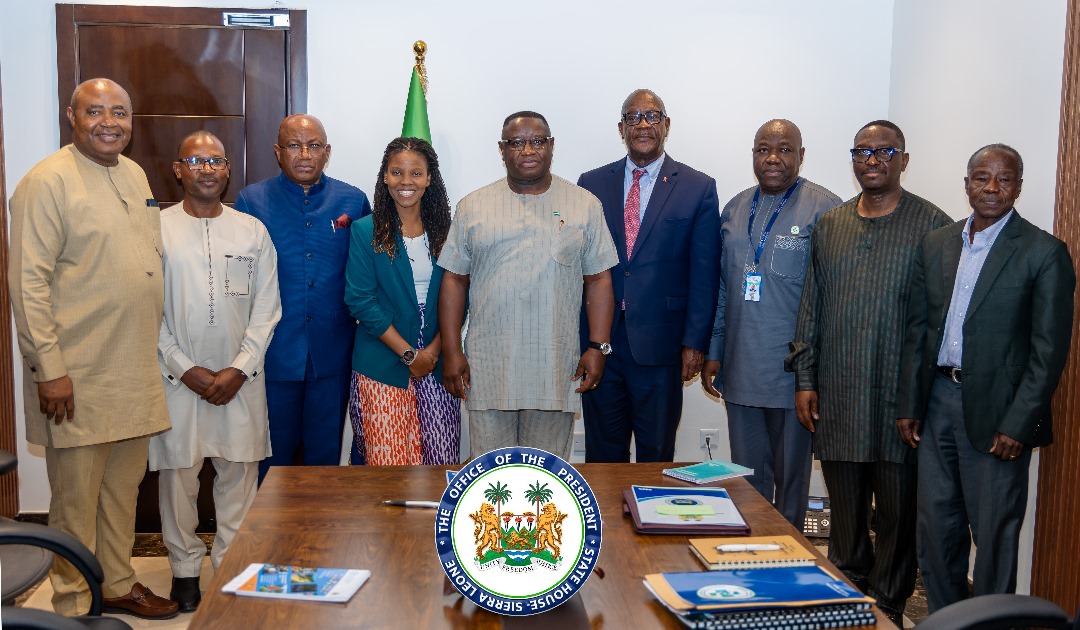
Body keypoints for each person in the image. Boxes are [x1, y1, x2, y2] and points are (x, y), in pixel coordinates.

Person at [7, 78, 179, 619]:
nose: (110, 122)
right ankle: (73, 603)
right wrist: (48, 370)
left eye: (120, 112)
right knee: (75, 504)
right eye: (96, 111)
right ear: (71, 116)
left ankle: (117, 584)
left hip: (133, 370)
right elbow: (27, 284)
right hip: (75, 377)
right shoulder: (45, 182)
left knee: (121, 494)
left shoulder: (134, 173)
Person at [785, 120, 952, 622]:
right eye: (862, 152)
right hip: (839, 392)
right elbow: (810, 308)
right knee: (846, 513)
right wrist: (806, 379)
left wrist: (922, 398)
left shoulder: (934, 226)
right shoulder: (831, 225)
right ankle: (846, 594)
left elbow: (941, 320)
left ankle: (889, 605)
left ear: (904, 159)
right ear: (852, 159)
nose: (872, 160)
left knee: (898, 516)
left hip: (901, 402)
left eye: (884, 151)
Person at [896, 144, 1075, 612]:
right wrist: (909, 404)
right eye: (982, 178)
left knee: (993, 535)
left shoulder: (1044, 253)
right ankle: (944, 621)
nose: (992, 188)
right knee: (935, 528)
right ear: (967, 183)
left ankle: (989, 625)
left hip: (999, 415)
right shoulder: (937, 243)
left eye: (1005, 179)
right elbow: (918, 329)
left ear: (1018, 185)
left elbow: (1048, 351)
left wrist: (1020, 423)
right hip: (935, 403)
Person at [150, 131, 282, 611]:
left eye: (216, 161)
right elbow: (147, 311)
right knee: (178, 479)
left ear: (228, 171)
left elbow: (267, 309)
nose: (207, 169)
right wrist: (184, 369)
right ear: (178, 169)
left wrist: (239, 368)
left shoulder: (251, 231)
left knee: (238, 479)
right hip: (176, 380)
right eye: (196, 160)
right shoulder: (155, 229)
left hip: (239, 381)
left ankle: (231, 567)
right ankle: (184, 571)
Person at [438, 111, 618, 460]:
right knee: (490, 481)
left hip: (554, 368)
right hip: (488, 369)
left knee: (546, 482)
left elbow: (598, 278)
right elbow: (454, 279)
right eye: (517, 142)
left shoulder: (584, 205)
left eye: (537, 141)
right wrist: (451, 350)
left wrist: (598, 347)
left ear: (551, 146)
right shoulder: (473, 207)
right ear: (502, 150)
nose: (528, 150)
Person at [702, 119, 841, 530]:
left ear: (801, 155)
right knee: (747, 478)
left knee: (792, 480)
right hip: (741, 368)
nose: (773, 158)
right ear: (753, 156)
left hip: (792, 376)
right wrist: (715, 350)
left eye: (784, 149)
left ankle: (790, 558)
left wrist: (812, 375)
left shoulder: (825, 209)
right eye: (763, 149)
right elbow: (725, 286)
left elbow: (831, 300)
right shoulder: (735, 207)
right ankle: (752, 551)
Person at [576, 89, 721, 463]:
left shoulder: (697, 187)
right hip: (601, 343)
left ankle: (652, 520)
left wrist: (695, 342)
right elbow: (581, 265)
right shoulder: (591, 184)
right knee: (603, 454)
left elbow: (704, 272)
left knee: (656, 454)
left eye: (652, 116)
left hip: (663, 344)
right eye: (633, 117)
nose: (643, 125)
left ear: (666, 126)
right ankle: (606, 522)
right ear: (621, 128)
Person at [235, 114, 371, 481]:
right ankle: (272, 538)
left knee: (325, 461)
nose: (305, 154)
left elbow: (367, 274)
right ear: (278, 152)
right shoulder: (251, 200)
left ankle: (321, 538)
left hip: (333, 355)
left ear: (327, 152)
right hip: (272, 354)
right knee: (271, 460)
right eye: (294, 145)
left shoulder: (353, 201)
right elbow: (238, 283)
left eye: (313, 146)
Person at [344, 137, 460, 464]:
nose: (406, 182)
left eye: (415, 173)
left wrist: (434, 351)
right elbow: (360, 300)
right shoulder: (366, 230)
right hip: (382, 357)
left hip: (438, 361)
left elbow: (460, 295)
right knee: (391, 470)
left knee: (442, 461)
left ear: (429, 178)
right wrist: (409, 354)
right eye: (397, 172)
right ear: (385, 176)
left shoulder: (449, 233)